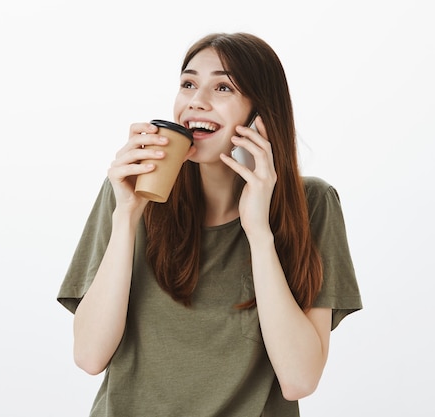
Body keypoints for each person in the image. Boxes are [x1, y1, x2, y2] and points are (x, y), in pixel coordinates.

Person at [57, 32, 362, 416]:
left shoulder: (312, 204)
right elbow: (88, 356)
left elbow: (299, 379)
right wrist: (126, 217)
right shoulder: (131, 192)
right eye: (188, 84)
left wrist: (258, 232)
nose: (196, 102)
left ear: (261, 113)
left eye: (222, 87)